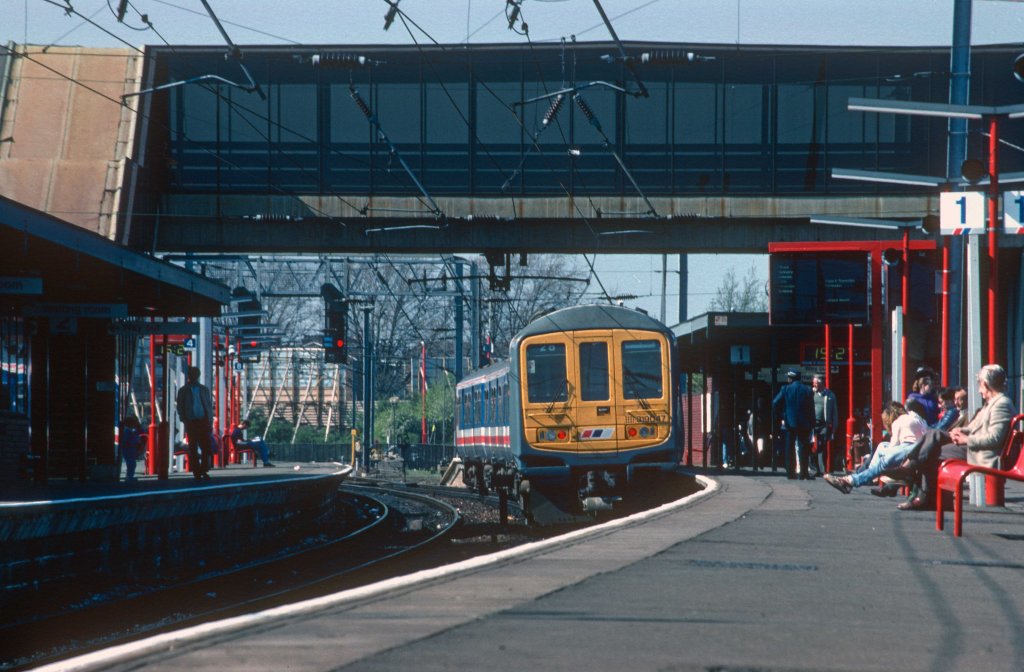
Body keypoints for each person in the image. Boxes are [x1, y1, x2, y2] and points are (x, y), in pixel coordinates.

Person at [891, 364, 1017, 510]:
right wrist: (959, 431)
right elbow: (973, 427)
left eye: (980, 385)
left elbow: (994, 439)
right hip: (973, 447)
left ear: (987, 384)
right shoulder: (991, 403)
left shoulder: (1001, 405)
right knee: (933, 435)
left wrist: (965, 439)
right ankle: (913, 475)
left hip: (980, 452)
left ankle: (914, 479)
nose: (979, 390)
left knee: (931, 450)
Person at [824, 401, 926, 495]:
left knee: (883, 460)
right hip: (920, 447)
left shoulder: (897, 422)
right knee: (882, 446)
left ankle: (855, 479)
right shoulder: (916, 418)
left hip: (908, 447)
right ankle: (870, 474)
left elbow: (893, 446)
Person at [772, 369, 816, 480]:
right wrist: (812, 422)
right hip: (804, 422)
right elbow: (811, 408)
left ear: (790, 378)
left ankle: (790, 473)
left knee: (789, 447)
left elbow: (775, 402)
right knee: (803, 447)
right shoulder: (807, 389)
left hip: (789, 422)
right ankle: (803, 473)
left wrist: (782, 416)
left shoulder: (785, 389)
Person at [175, 366, 214, 480]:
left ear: (198, 375)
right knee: (193, 447)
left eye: (195, 374)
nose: (193, 376)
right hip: (191, 421)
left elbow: (208, 405)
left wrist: (209, 419)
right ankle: (197, 471)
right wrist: (184, 419)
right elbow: (180, 406)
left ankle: (204, 469)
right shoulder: (183, 390)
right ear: (189, 375)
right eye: (192, 374)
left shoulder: (204, 389)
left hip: (203, 420)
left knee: (206, 446)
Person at [811, 374, 838, 476]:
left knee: (822, 447)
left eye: (816, 383)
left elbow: (834, 412)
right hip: (813, 425)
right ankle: (816, 469)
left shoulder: (830, 395)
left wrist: (834, 426)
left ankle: (822, 469)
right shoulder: (811, 394)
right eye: (813, 383)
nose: (814, 385)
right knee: (813, 447)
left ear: (821, 383)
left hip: (824, 425)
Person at [119, 415, 143, 482]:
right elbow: (125, 441)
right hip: (129, 449)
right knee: (131, 464)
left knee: (131, 463)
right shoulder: (128, 431)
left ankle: (129, 476)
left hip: (130, 449)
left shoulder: (129, 431)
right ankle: (129, 476)